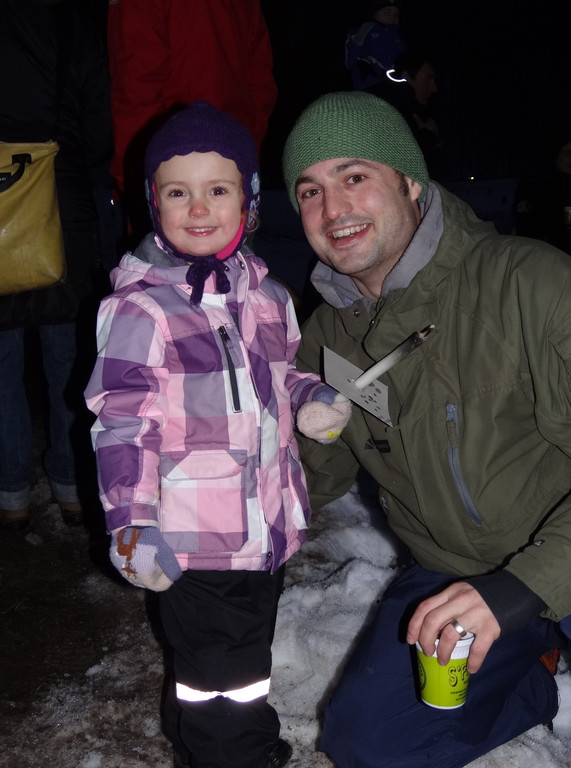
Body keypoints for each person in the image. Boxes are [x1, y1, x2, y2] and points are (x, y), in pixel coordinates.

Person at [281, 90, 571, 768]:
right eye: (310, 191)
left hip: (561, 548)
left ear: (410, 182)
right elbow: (311, 479)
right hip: (453, 573)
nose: (333, 209)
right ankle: (530, 674)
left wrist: (521, 589)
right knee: (369, 743)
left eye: (354, 176)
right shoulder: (326, 336)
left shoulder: (531, 283)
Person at [84, 101, 351, 768]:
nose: (199, 208)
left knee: (234, 664)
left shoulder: (267, 296)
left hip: (265, 528)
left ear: (248, 201)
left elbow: (282, 373)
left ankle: (217, 745)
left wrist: (311, 397)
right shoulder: (141, 310)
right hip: (192, 537)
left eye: (218, 190)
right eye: (178, 192)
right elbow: (122, 423)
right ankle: (235, 756)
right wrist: (132, 523)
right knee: (220, 679)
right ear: (154, 203)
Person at [0, 0, 113, 529]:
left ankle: (11, 491)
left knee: (1, 361)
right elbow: (99, 132)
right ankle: (71, 487)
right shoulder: (73, 24)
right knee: (68, 358)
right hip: (60, 203)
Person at [107, 0, 278, 246]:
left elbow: (133, 90)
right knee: (237, 264)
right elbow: (260, 83)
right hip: (232, 173)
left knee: (163, 267)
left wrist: (134, 184)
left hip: (171, 179)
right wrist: (245, 158)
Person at [514, 130, 571, 258]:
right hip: (548, 259)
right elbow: (526, 232)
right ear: (556, 156)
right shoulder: (539, 188)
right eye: (568, 153)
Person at [344, 0, 406, 93]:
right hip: (369, 85)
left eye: (396, 15)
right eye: (387, 13)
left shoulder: (396, 36)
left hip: (394, 84)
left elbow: (403, 57)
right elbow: (350, 59)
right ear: (374, 14)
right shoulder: (366, 29)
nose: (392, 18)